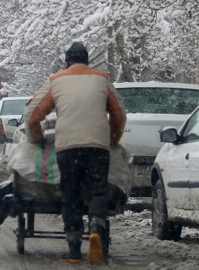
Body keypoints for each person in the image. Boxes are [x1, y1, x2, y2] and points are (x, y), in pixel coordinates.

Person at [25, 41, 126, 265]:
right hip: (97, 146)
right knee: (97, 190)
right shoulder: (102, 80)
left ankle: (72, 248)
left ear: (66, 61)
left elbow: (32, 115)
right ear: (88, 61)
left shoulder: (56, 81)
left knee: (70, 194)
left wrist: (37, 139)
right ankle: (97, 227)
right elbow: (119, 115)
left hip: (67, 147)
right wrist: (111, 140)